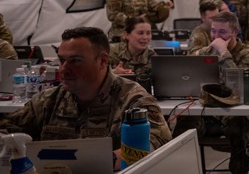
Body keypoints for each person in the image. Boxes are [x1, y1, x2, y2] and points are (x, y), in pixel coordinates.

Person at [0, 27, 171, 170]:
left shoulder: (133, 101)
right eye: (62, 60)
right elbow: (7, 130)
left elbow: (156, 145)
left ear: (102, 61)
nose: (64, 69)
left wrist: (96, 162)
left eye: (75, 61)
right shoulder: (49, 100)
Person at [189, 11, 249, 174]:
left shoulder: (248, 54)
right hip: (208, 111)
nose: (216, 36)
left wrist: (224, 54)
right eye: (213, 31)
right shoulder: (206, 51)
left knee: (238, 126)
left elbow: (240, 87)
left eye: (222, 32)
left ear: (235, 32)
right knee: (182, 125)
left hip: (235, 113)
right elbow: (187, 73)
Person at [109, 17, 156, 92]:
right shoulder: (110, 52)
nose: (145, 37)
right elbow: (93, 78)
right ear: (126, 35)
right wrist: (112, 73)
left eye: (148, 33)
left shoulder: (153, 58)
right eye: (140, 33)